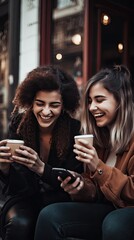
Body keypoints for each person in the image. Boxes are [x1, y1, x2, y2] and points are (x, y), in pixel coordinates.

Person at [34, 64, 134, 240]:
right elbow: (96, 191)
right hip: (109, 209)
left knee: (115, 222)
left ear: (121, 100)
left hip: (126, 211)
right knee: (50, 215)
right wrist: (79, 186)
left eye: (99, 100)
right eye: (89, 101)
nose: (92, 107)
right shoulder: (101, 139)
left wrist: (99, 166)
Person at [0, 65, 83, 240]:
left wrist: (41, 168)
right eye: (40, 104)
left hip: (58, 200)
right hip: (23, 197)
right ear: (31, 102)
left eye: (54, 105)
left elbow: (71, 180)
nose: (46, 111)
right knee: (20, 223)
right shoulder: (19, 125)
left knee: (49, 218)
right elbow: (17, 187)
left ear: (64, 105)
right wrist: (5, 168)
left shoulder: (73, 129)